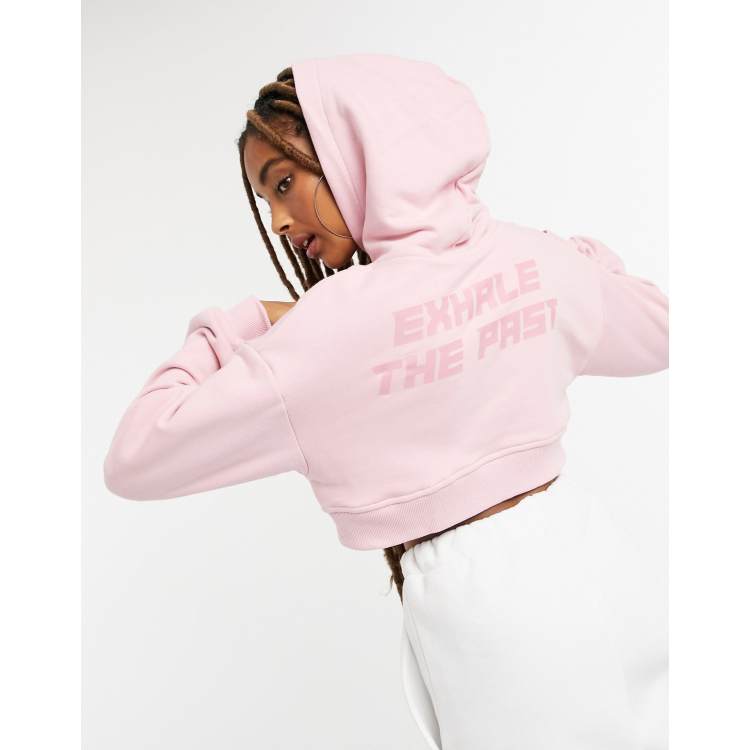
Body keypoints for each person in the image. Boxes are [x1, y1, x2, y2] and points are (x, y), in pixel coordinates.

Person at [103, 53, 669, 749]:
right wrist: (575, 257)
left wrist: (239, 325)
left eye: (284, 182)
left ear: (357, 148)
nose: (278, 220)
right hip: (597, 564)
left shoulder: (324, 332)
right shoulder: (535, 263)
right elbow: (662, 331)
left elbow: (137, 455)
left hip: (492, 618)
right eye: (267, 199)